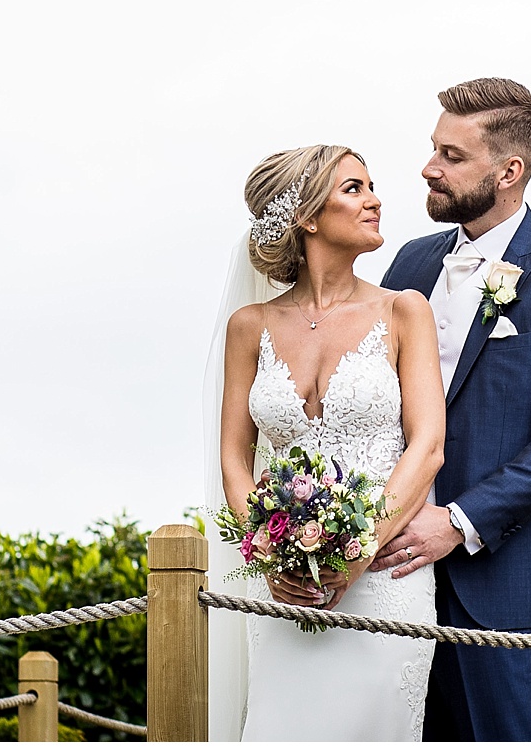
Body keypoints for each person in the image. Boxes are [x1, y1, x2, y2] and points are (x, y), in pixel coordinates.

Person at [375, 78, 531, 742]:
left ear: (509, 171)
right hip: (383, 572)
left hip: (496, 585)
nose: (429, 167)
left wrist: (458, 521)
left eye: (452, 155)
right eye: (433, 149)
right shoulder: (410, 262)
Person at [208, 144, 447, 741]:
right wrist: (270, 555)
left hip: (386, 578)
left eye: (371, 186)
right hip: (285, 586)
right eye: (354, 188)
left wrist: (360, 549)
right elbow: (235, 458)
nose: (375, 200)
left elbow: (428, 447)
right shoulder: (250, 326)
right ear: (309, 217)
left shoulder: (403, 311)